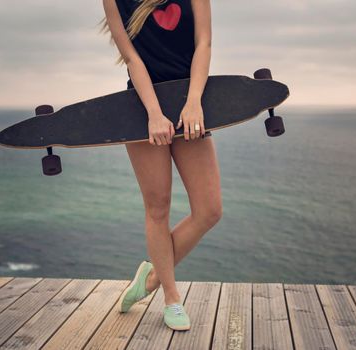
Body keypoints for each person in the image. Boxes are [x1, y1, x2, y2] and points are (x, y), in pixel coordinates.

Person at [101, 0, 221, 331]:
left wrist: (194, 101)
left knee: (209, 210)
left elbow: (204, 42)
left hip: (190, 105)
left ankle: (151, 278)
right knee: (158, 207)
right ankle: (171, 297)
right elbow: (131, 58)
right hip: (141, 109)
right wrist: (154, 113)